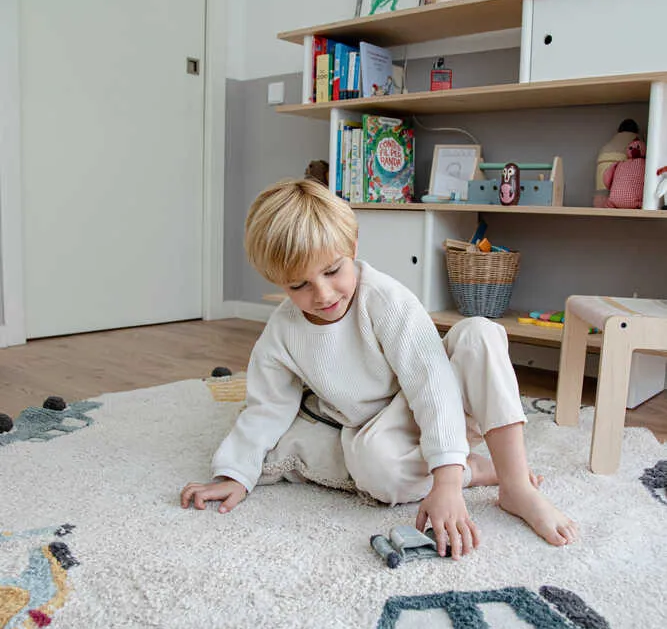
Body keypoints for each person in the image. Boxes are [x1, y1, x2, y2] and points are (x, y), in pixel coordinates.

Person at [181, 179, 578, 558]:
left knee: (480, 333)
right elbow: (266, 408)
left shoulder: (385, 300)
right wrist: (235, 473)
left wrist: (447, 483)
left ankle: (513, 484)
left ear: (352, 247)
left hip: (446, 400)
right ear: (277, 282)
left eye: (333, 271)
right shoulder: (283, 333)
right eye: (298, 285)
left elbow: (431, 382)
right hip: (385, 429)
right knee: (371, 468)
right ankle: (473, 467)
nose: (322, 294)